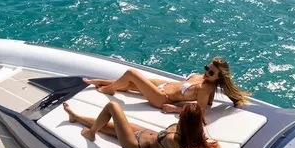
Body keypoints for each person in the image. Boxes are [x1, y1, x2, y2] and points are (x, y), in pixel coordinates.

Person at [63, 101, 220, 148]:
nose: (181, 110)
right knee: (108, 125)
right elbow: (197, 144)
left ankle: (91, 134)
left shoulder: (173, 139)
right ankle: (75, 116)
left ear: (185, 118)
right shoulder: (191, 130)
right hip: (144, 133)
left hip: (136, 146)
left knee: (112, 106)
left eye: (183, 111)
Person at [83, 56, 251, 114]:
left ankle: (108, 89)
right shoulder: (202, 77)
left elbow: (200, 110)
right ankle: (98, 81)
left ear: (219, 77)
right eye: (207, 68)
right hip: (165, 85)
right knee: (131, 83)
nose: (207, 73)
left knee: (131, 74)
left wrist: (175, 109)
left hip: (162, 98)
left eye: (212, 73)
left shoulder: (205, 88)